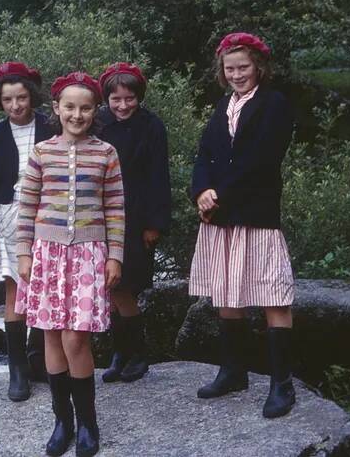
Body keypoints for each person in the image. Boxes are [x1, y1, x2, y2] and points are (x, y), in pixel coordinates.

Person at [16, 72, 124, 457]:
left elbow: (115, 209)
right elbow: (27, 208)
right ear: (57, 109)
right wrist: (24, 253)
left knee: (77, 337)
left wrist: (115, 255)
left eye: (84, 108)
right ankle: (61, 421)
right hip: (47, 253)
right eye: (69, 107)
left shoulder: (106, 153)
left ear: (95, 111)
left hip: (88, 254)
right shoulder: (42, 152)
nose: (76, 115)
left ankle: (88, 424)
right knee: (50, 335)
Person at [189, 32, 296, 419]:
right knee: (226, 292)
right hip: (219, 215)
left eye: (243, 67)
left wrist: (219, 195)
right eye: (230, 68)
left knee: (272, 294)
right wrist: (200, 189)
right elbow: (205, 153)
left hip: (256, 212)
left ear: (259, 67)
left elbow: (261, 160)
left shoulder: (274, 104)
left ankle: (281, 384)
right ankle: (233, 372)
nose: (236, 75)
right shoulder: (224, 105)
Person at [0, 61, 55, 401]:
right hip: (8, 215)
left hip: (49, 213)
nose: (16, 106)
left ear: (32, 96)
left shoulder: (52, 126)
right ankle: (18, 371)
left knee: (47, 287)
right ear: (0, 100)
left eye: (21, 97)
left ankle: (40, 360)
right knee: (16, 291)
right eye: (8, 100)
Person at [94, 62, 171, 384]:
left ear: (138, 97)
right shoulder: (97, 122)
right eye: (116, 99)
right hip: (98, 213)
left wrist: (155, 223)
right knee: (107, 287)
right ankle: (120, 353)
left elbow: (158, 177)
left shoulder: (152, 126)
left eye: (129, 98)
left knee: (124, 286)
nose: (123, 105)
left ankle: (136, 353)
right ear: (106, 100)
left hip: (136, 214)